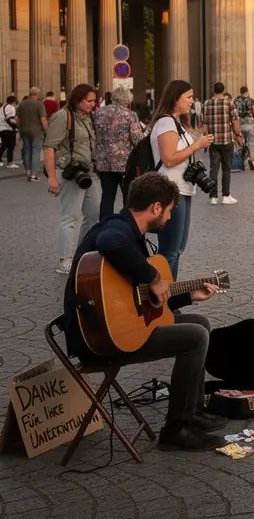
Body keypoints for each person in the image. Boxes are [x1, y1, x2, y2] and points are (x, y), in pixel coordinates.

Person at [64, 172, 227, 449]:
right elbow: (110, 244)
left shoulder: (131, 235)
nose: (170, 218)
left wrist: (188, 295)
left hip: (112, 326)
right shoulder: (117, 230)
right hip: (101, 338)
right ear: (155, 208)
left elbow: (142, 300)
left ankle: (192, 411)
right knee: (195, 337)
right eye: (169, 211)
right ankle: (176, 429)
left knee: (200, 322)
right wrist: (153, 276)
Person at [151, 80, 215, 278]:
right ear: (175, 98)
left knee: (178, 248)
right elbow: (169, 159)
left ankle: (170, 297)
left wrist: (198, 141)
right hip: (171, 191)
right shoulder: (166, 123)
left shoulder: (176, 123)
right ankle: (162, 300)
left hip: (182, 190)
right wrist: (196, 145)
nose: (192, 101)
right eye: (188, 97)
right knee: (170, 250)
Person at [43, 83, 101, 274]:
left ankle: (83, 254)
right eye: (89, 100)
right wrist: (52, 177)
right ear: (77, 99)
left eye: (94, 101)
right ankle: (64, 259)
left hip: (89, 173)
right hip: (71, 174)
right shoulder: (62, 116)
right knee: (71, 217)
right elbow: (49, 147)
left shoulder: (86, 117)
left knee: (93, 214)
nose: (93, 104)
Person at [92, 85, 145, 220]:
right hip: (124, 164)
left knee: (107, 197)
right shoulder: (129, 115)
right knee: (128, 198)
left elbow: (94, 135)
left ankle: (104, 227)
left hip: (104, 163)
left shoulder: (99, 112)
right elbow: (137, 139)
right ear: (127, 100)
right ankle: (126, 226)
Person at [202, 82, 241, 205]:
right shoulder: (229, 103)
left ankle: (213, 197)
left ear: (213, 90)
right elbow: (235, 121)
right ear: (223, 90)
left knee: (213, 169)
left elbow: (203, 123)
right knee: (226, 169)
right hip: (226, 140)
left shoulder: (206, 104)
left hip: (213, 141)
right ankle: (226, 195)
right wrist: (238, 134)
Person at [16, 86, 48, 181]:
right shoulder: (39, 104)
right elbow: (43, 119)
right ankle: (34, 174)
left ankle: (28, 171)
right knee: (35, 152)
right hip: (36, 131)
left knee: (27, 150)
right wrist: (47, 130)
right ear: (38, 94)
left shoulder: (22, 104)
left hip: (24, 130)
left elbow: (17, 119)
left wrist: (20, 128)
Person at [234, 86, 254, 171]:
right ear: (247, 91)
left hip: (240, 124)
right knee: (252, 142)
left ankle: (241, 162)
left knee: (241, 144)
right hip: (250, 124)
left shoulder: (236, 101)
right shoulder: (251, 100)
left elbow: (234, 113)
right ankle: (251, 159)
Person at [1, 94, 17, 168]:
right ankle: (10, 162)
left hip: (1, 128)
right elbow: (11, 119)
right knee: (11, 146)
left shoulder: (2, 107)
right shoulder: (11, 108)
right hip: (8, 129)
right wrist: (16, 127)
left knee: (4, 145)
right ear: (13, 101)